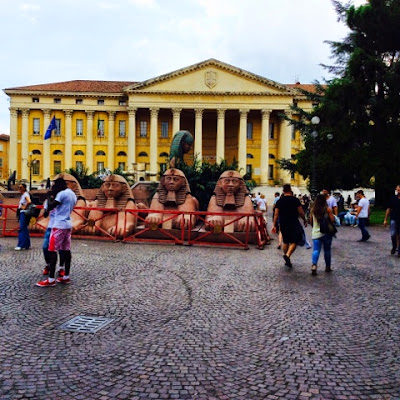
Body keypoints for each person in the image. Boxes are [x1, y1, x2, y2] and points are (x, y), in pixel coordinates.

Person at [36, 177, 77, 287]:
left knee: (52, 251)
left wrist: (48, 196)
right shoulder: (72, 194)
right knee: (66, 250)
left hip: (58, 225)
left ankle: (51, 279)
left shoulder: (62, 194)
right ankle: (66, 276)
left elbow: (51, 205)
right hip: (68, 224)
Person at [272, 184, 307, 268]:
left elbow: (276, 214)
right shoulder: (295, 200)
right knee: (295, 240)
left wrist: (274, 224)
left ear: (283, 191)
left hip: (283, 223)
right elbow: (301, 212)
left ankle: (287, 258)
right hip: (293, 222)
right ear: (290, 190)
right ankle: (287, 255)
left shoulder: (279, 201)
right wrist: (304, 219)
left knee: (286, 241)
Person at [310, 194, 335, 275]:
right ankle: (327, 267)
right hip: (326, 232)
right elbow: (332, 220)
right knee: (327, 250)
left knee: (316, 250)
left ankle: (314, 265)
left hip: (316, 233)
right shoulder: (328, 209)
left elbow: (311, 221)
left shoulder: (313, 210)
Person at [383, 184, 400, 256]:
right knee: (393, 234)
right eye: (398, 189)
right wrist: (385, 219)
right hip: (394, 218)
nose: (398, 191)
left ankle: (399, 251)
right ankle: (394, 246)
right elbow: (388, 209)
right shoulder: (393, 198)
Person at [15, 183, 32, 251]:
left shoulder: (25, 195)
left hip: (23, 213)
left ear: (24, 188)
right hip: (23, 213)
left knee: (22, 228)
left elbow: (29, 201)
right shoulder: (23, 195)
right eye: (19, 187)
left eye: (20, 187)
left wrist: (25, 207)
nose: (19, 189)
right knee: (24, 228)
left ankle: (21, 245)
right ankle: (27, 244)